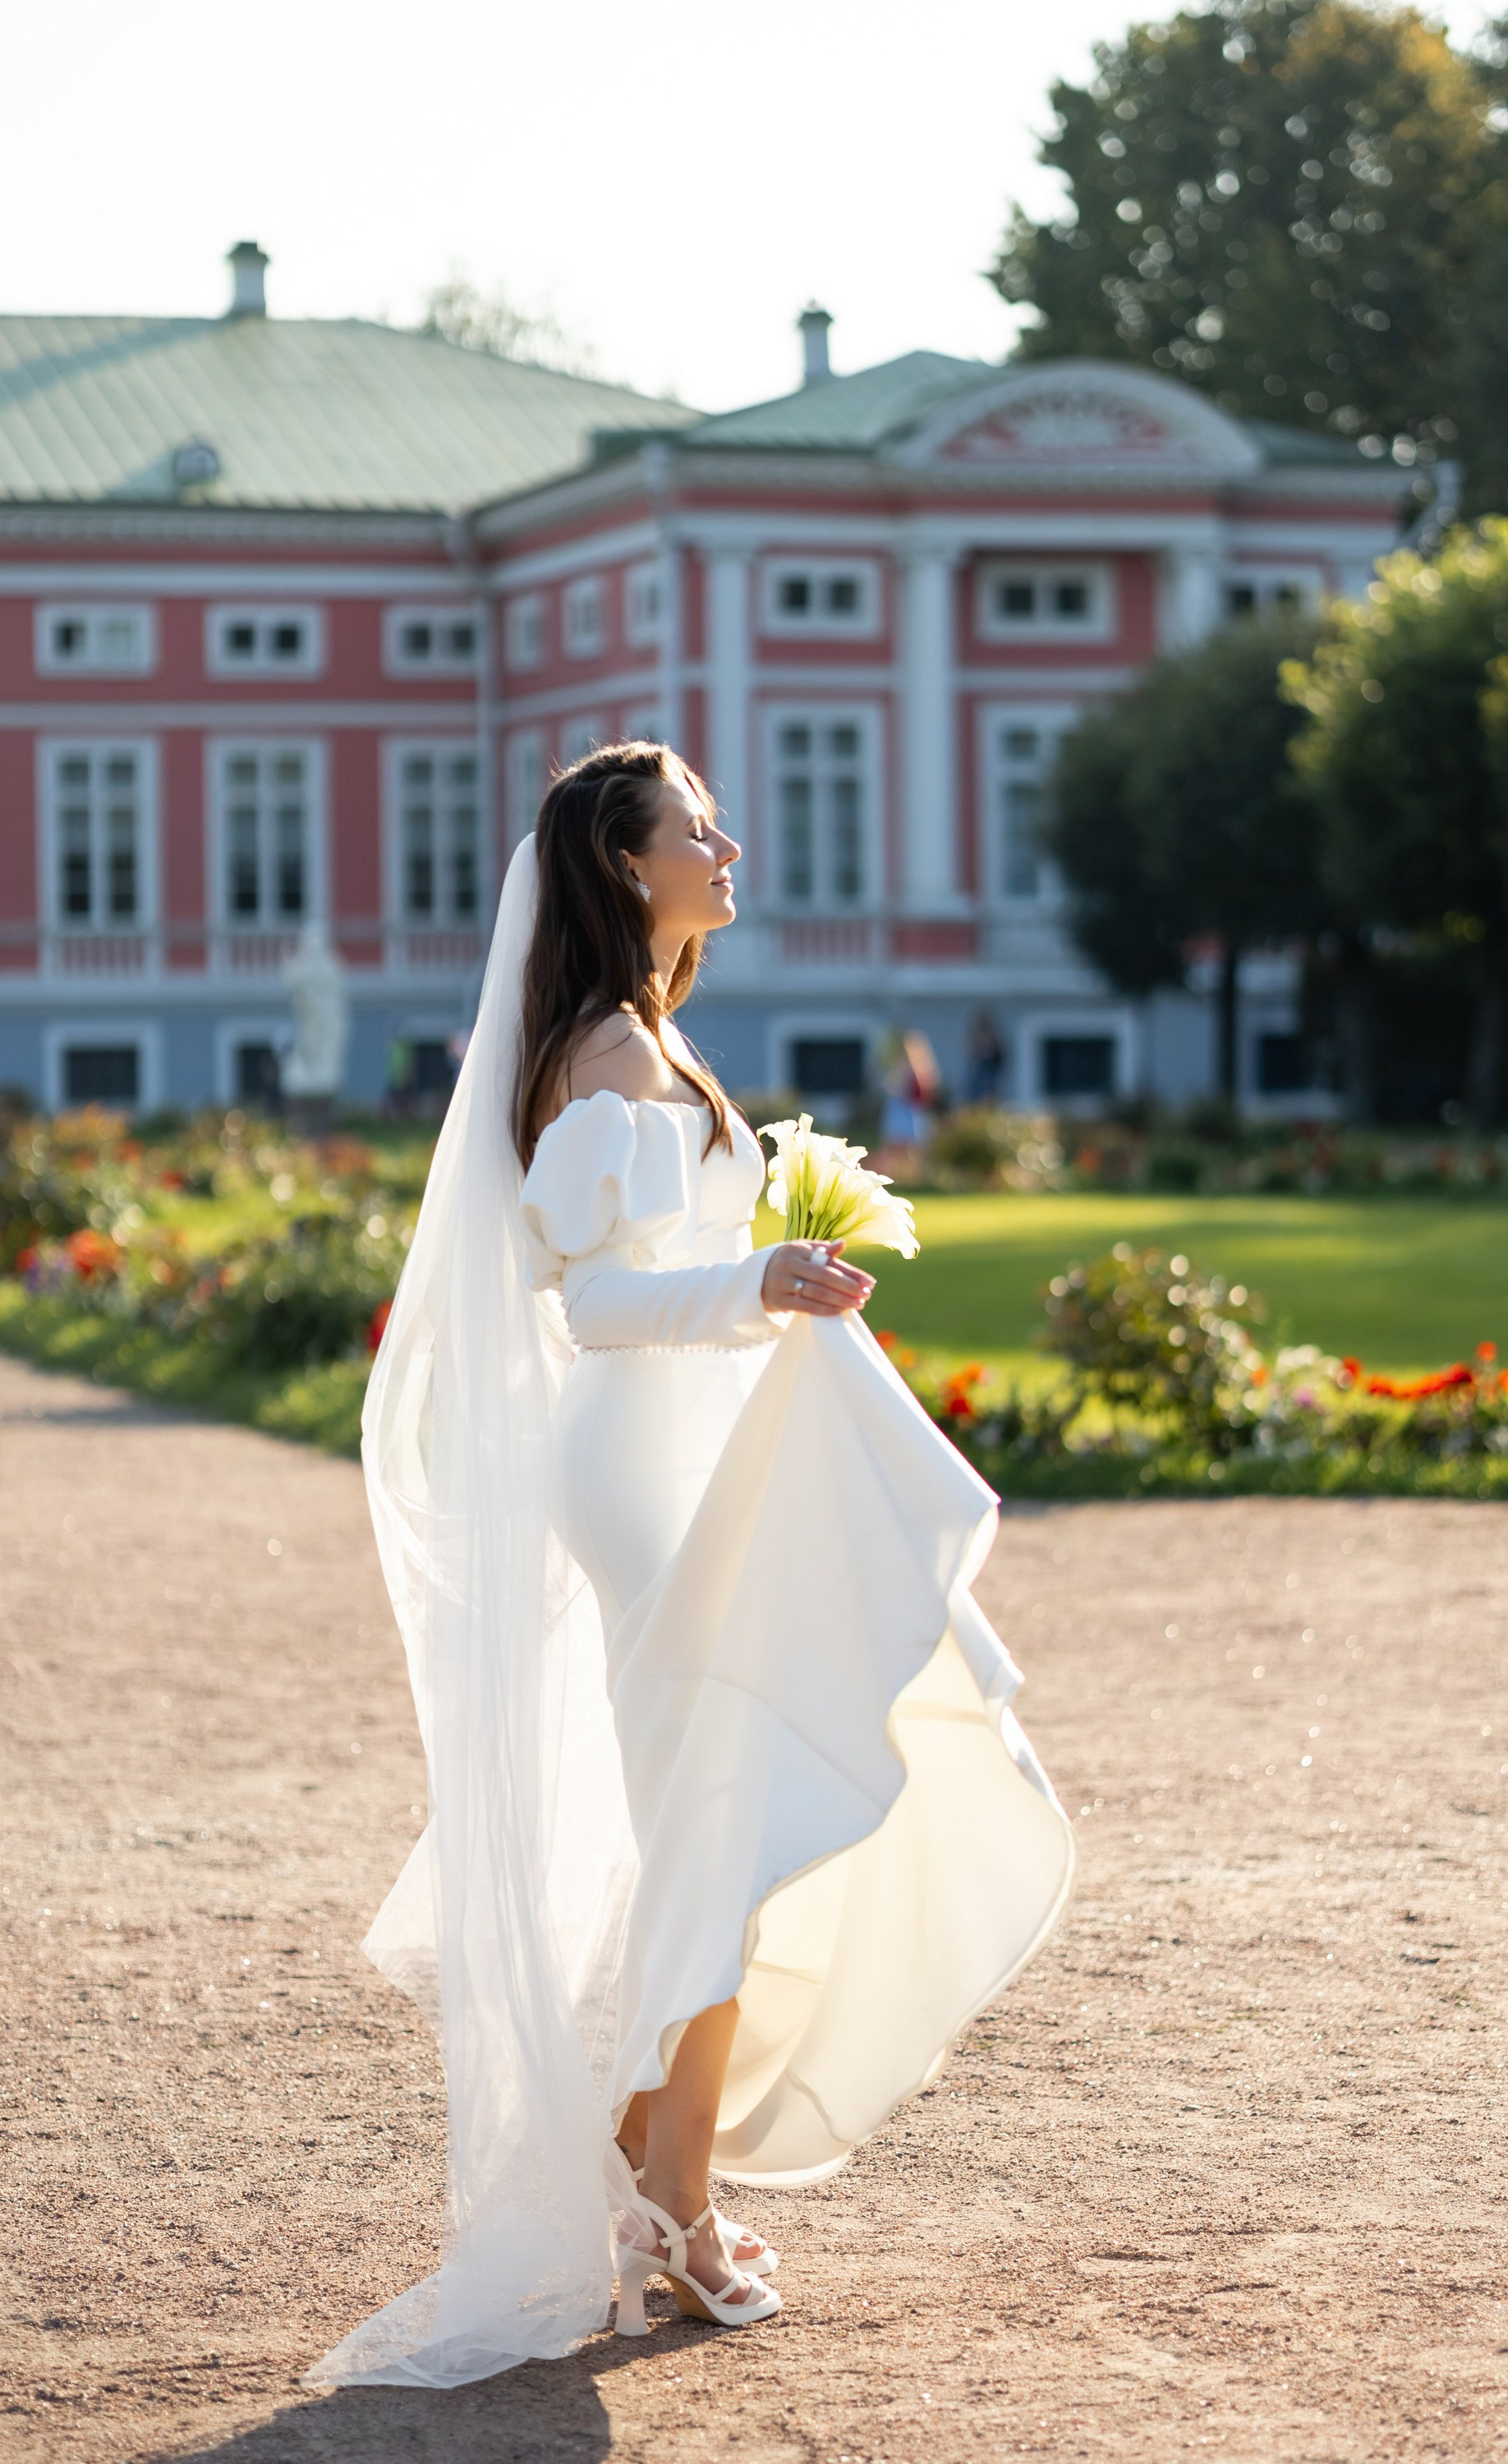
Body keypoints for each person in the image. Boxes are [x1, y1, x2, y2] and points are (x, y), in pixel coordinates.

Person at [309, 742, 1071, 2386]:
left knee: (713, 1822)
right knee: (712, 1825)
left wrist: (769, 1280)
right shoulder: (603, 1055)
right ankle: (670, 2202)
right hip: (638, 1477)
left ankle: (661, 2169)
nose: (727, 845)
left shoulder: (651, 1044)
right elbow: (585, 1303)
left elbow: (661, 1268)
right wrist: (761, 1285)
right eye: (695, 828)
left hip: (686, 1460)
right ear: (623, 867)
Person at [965, 1009, 1006, 1106]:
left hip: (989, 1068)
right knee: (976, 1091)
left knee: (989, 1090)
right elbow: (970, 1051)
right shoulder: (975, 1034)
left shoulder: (992, 1034)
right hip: (979, 1069)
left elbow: (997, 1052)